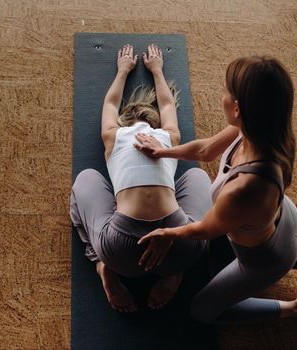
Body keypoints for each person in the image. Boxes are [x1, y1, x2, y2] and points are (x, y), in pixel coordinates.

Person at [135, 55, 297, 326]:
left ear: (237, 108)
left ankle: (296, 307)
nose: (221, 94)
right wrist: (162, 151)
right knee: (232, 243)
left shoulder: (243, 190)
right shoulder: (260, 129)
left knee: (201, 311)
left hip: (262, 258)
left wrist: (167, 234)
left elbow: (206, 230)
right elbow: (206, 150)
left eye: (225, 90)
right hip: (279, 220)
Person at [70, 44, 212, 312]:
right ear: (155, 124)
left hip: (120, 254)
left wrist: (122, 71)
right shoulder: (169, 138)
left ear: (126, 121)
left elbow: (110, 102)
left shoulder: (113, 135)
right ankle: (174, 273)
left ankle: (102, 267)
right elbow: (169, 103)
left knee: (86, 179)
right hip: (180, 245)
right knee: (197, 175)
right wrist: (157, 71)